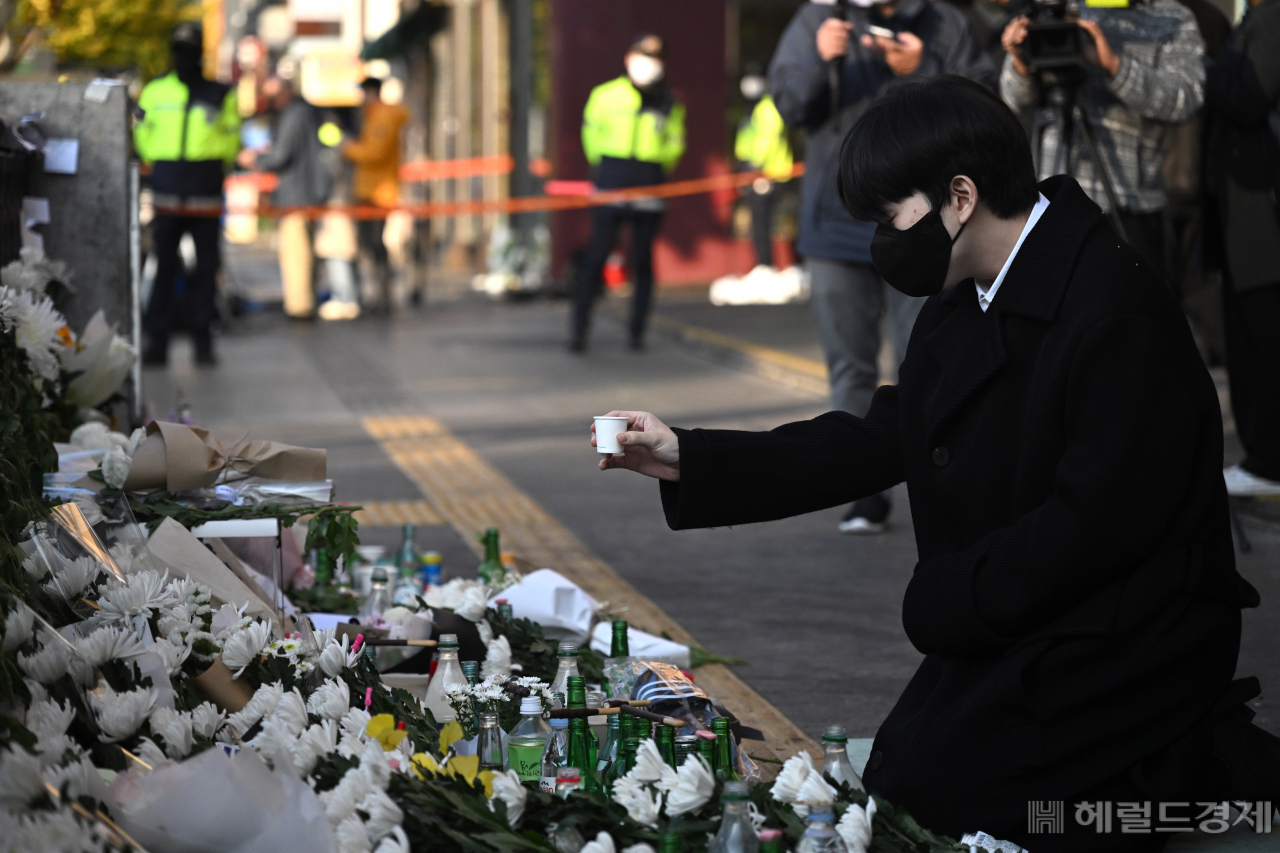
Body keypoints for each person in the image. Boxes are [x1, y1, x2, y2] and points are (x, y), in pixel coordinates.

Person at [593, 77, 1276, 851]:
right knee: (907, 784)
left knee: (956, 800)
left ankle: (1211, 769)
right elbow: (883, 437)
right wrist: (689, 453)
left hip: (1130, 634)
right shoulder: (971, 292)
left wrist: (951, 596)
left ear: (960, 195)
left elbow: (1094, 525)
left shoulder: (1113, 308)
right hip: (1026, 615)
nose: (883, 242)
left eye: (891, 217)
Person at [770, 0, 996, 535]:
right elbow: (789, 104)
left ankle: (940, 489)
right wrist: (818, 60)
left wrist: (923, 70)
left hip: (923, 225)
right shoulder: (816, 18)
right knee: (850, 370)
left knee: (926, 363)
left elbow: (986, 104)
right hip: (834, 225)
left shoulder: (943, 22)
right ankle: (864, 494)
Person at [999, 0, 1204, 277]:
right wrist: (1019, 63)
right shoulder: (1057, 9)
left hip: (1129, 201)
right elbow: (1013, 101)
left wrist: (1115, 67)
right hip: (1051, 198)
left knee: (1131, 312)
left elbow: (1185, 99)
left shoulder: (1171, 18)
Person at [1203, 0, 1280, 496]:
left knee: (1263, 338)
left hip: (1261, 210)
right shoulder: (1253, 14)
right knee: (1248, 333)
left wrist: (1204, 71)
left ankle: (1269, 462)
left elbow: (1252, 96)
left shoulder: (1272, 15)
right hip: (1243, 208)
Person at [570, 34, 687, 352]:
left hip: (650, 179)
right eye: (642, 57)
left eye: (656, 59)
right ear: (627, 59)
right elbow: (590, 135)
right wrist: (606, 169)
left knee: (643, 261)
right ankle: (579, 329)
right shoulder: (605, 95)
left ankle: (637, 333)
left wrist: (658, 170)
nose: (649, 64)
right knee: (596, 256)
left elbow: (675, 143)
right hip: (611, 175)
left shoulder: (668, 102)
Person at [134, 22, 241, 366]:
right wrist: (159, 164)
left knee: (206, 271)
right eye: (180, 51)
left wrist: (209, 166)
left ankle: (203, 341)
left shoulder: (221, 93)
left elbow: (232, 140)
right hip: (167, 193)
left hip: (205, 194)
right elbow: (142, 134)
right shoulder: (154, 91)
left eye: (189, 51)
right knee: (164, 268)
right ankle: (158, 342)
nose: (184, 58)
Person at [239, 77, 332, 321]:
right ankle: (306, 302)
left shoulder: (294, 115)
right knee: (305, 252)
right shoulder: (305, 112)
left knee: (296, 253)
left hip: (296, 195)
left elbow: (281, 156)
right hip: (307, 192)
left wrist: (255, 160)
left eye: (273, 96)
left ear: (285, 93)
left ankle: (300, 306)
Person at [341, 77, 408, 314]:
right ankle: (377, 294)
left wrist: (348, 148)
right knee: (368, 244)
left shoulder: (382, 117)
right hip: (369, 189)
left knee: (375, 244)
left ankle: (384, 294)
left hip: (379, 192)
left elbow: (375, 153)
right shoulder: (371, 117)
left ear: (372, 92)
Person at [733, 62, 797, 281]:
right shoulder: (750, 109)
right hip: (755, 173)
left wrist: (758, 171)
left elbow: (767, 142)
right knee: (759, 222)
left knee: (767, 223)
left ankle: (768, 267)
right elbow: (746, 143)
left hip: (769, 175)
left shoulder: (768, 107)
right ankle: (765, 266)